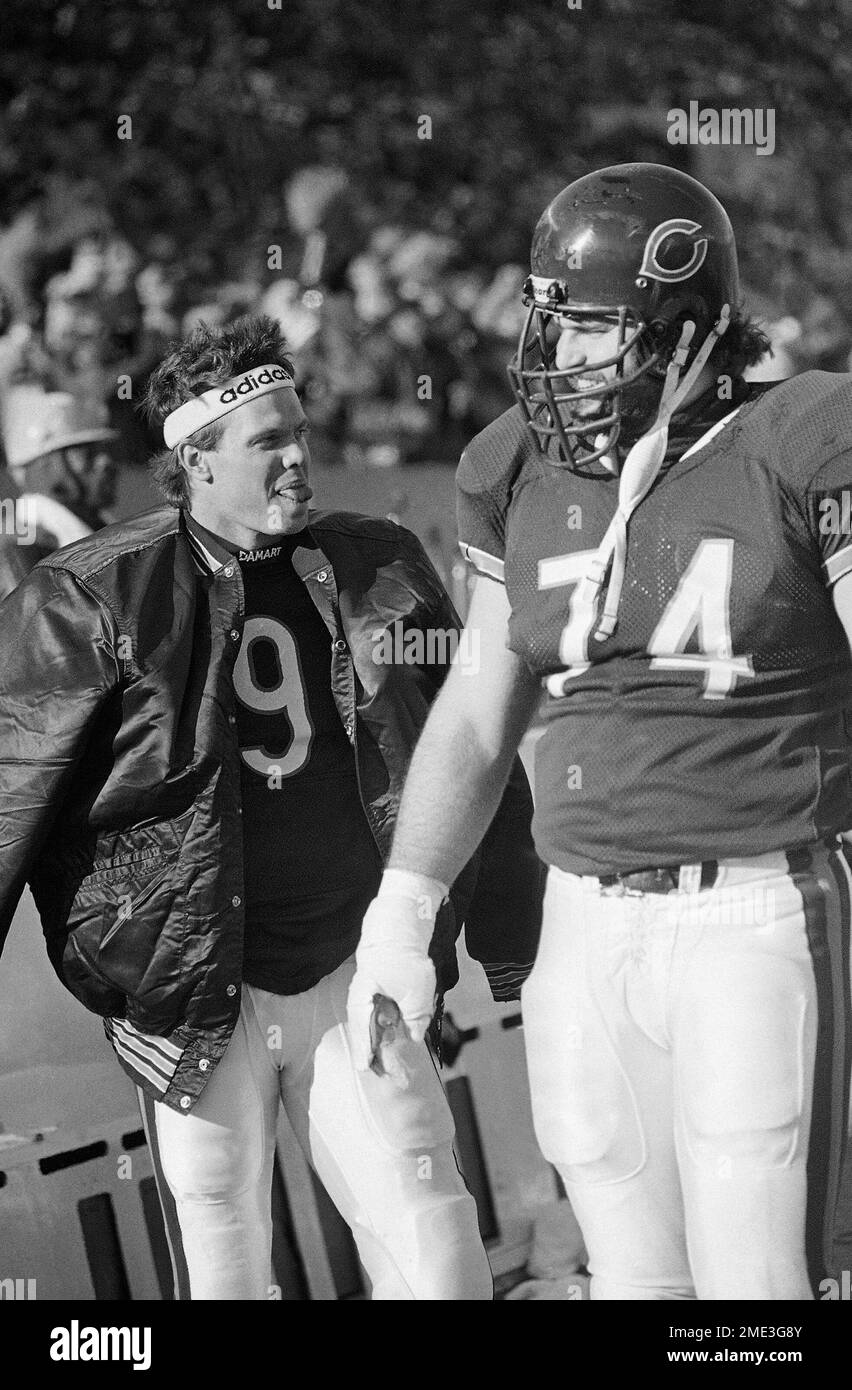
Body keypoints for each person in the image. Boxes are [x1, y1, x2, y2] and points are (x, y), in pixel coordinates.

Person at [347, 162, 852, 1301]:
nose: (557, 356)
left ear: (685, 325)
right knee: (631, 1275)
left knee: (758, 1287)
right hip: (583, 925)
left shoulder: (807, 433)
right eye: (550, 323)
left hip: (757, 910)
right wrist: (402, 912)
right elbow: (479, 712)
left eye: (587, 328)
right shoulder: (514, 469)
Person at [0, 313, 543, 1300]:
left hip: (353, 960)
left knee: (432, 1226)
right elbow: (9, 794)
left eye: (301, 433)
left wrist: (513, 946)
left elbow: (475, 746)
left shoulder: (375, 557)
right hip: (191, 991)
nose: (300, 459)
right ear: (197, 460)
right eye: (269, 444)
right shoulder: (91, 594)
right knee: (226, 1258)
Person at [0, 385, 119, 596]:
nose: (105, 461)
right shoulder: (23, 545)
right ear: (45, 464)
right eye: (86, 453)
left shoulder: (98, 526)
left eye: (102, 450)